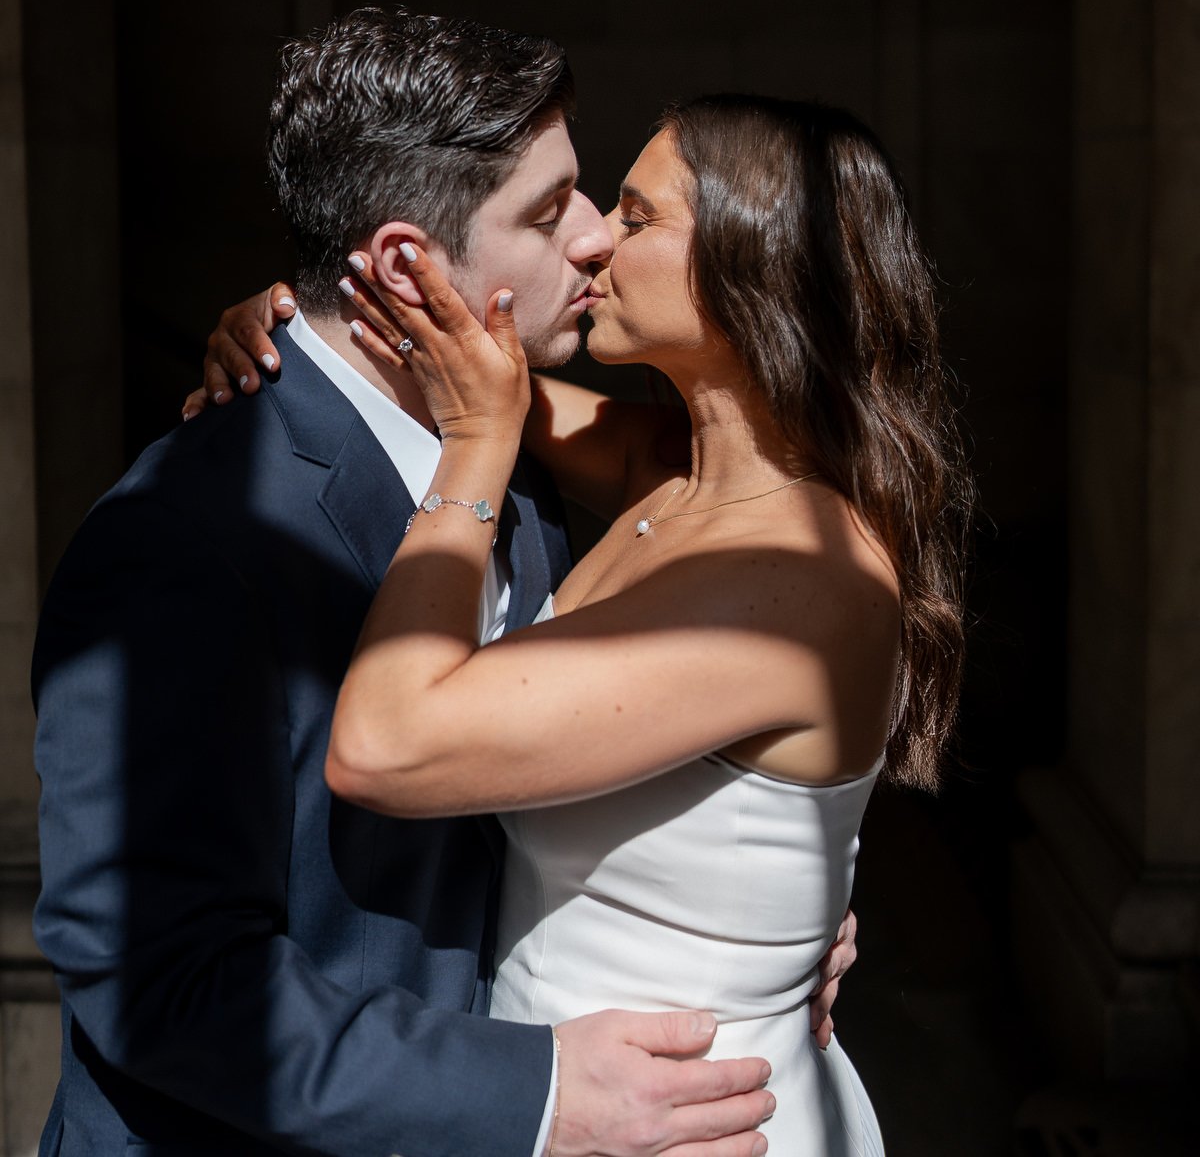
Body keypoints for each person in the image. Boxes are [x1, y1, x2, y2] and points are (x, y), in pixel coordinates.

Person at [32, 9, 797, 1157]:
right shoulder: (178, 543)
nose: (594, 238)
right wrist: (533, 1097)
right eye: (548, 212)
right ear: (404, 263)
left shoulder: (509, 449)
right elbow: (161, 978)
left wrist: (762, 924)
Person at [206, 89, 972, 1152]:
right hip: (562, 1095)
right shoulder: (673, 468)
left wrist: (476, 456)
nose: (595, 241)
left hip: (691, 1123)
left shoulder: (797, 581)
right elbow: (453, 368)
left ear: (755, 267)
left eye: (638, 216)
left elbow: (384, 745)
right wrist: (305, 323)